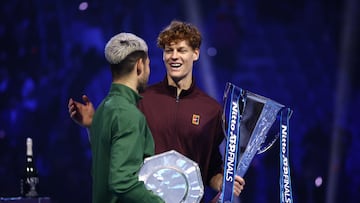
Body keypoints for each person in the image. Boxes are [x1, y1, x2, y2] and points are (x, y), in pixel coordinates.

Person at [68, 20, 245, 202]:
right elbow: (114, 154)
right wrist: (93, 126)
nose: (174, 56)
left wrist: (223, 183)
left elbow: (210, 168)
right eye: (169, 50)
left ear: (196, 54)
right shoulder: (140, 100)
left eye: (181, 50)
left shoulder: (211, 110)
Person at [83, 32, 164, 203]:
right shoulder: (128, 114)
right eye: (148, 65)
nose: (149, 72)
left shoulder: (103, 109)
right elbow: (122, 182)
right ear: (140, 66)